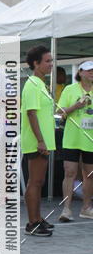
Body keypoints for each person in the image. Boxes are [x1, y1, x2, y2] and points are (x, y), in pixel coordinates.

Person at [21, 44, 55, 237]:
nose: (51, 64)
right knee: (35, 181)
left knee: (38, 181)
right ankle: (32, 222)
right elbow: (31, 113)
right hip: (36, 141)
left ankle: (38, 218)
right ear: (36, 63)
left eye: (51, 61)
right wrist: (40, 141)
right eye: (47, 61)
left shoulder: (40, 84)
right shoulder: (33, 84)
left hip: (43, 140)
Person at [57, 60, 93, 222]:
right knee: (69, 172)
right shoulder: (70, 89)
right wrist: (76, 106)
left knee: (89, 175)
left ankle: (86, 208)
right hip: (72, 138)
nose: (92, 72)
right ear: (80, 72)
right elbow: (59, 112)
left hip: (90, 139)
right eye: (89, 70)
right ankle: (66, 209)